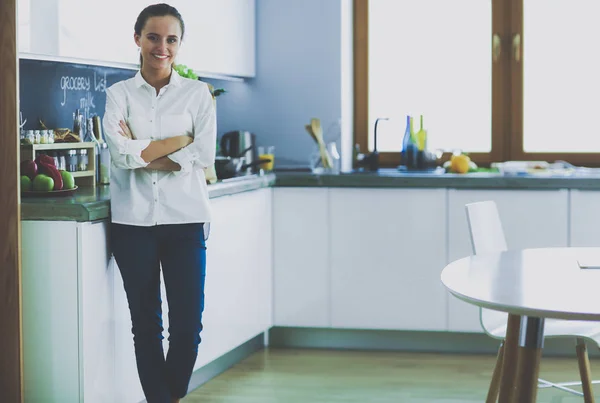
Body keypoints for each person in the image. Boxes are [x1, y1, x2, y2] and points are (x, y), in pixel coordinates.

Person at [102, 3, 216, 402]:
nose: (161, 47)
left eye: (171, 39)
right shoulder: (117, 95)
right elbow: (120, 153)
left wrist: (143, 150)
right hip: (133, 225)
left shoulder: (199, 95)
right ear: (137, 39)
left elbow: (202, 155)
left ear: (179, 44)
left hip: (185, 223)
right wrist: (175, 146)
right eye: (153, 37)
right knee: (146, 327)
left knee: (187, 327)